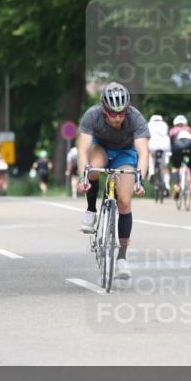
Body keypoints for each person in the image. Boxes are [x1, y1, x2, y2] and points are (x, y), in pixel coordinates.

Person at [76, 82, 149, 279]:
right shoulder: (92, 115)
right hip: (100, 148)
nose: (117, 118)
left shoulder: (136, 118)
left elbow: (143, 153)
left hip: (125, 154)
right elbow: (83, 149)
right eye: (112, 113)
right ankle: (91, 210)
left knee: (125, 201)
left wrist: (140, 179)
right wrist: (82, 177)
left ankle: (122, 258)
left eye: (121, 113)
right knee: (93, 169)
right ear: (103, 109)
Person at [169, 115, 191, 200]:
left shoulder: (173, 131)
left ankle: (177, 186)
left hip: (178, 146)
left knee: (175, 167)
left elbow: (170, 144)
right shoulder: (189, 129)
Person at [147, 114, 171, 193]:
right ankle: (167, 185)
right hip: (164, 146)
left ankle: (151, 172)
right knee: (165, 166)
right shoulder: (164, 125)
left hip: (153, 145)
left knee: (151, 156)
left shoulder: (149, 125)